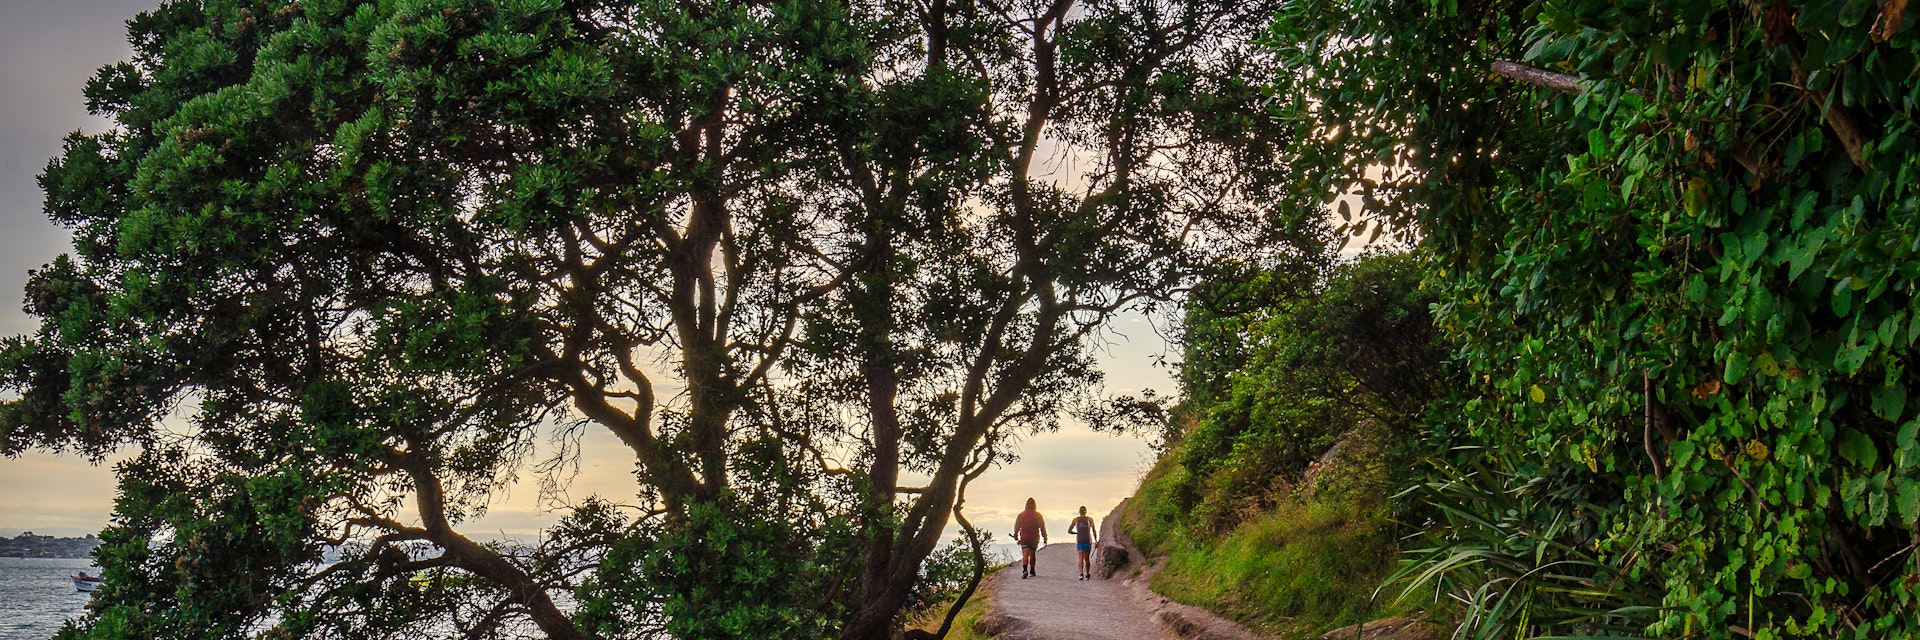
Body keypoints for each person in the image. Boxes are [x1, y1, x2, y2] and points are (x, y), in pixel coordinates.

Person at [1012, 497, 1047, 578]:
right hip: (1034, 537)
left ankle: (1024, 570)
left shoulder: (1021, 515)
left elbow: (1017, 525)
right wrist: (1045, 537)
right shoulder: (1038, 515)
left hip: (1024, 537)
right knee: (1032, 554)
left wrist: (1015, 534)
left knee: (1025, 554)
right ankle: (1032, 570)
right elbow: (1042, 527)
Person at [1067, 506, 1099, 580]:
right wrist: (1096, 540)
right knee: (1087, 558)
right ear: (1086, 512)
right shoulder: (1090, 519)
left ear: (1079, 512)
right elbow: (1094, 530)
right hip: (1087, 539)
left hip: (1080, 539)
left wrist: (1076, 533)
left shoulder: (1075, 520)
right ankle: (1087, 574)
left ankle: (1081, 574)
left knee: (1080, 558)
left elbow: (1069, 531)